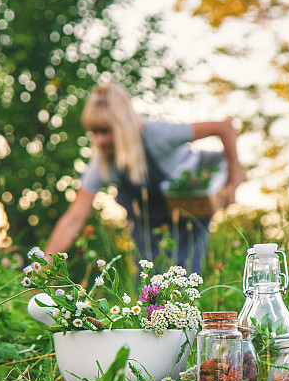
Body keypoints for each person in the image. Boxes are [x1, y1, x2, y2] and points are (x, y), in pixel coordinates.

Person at [44, 82, 242, 273]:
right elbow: (73, 218)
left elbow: (224, 127)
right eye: (94, 132)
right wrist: (44, 267)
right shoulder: (103, 162)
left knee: (185, 277)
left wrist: (233, 181)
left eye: (105, 131)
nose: (99, 140)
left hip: (186, 220)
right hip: (147, 232)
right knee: (147, 287)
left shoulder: (156, 134)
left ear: (122, 125)